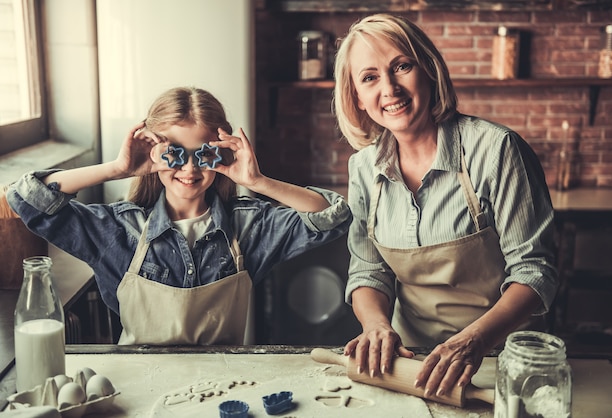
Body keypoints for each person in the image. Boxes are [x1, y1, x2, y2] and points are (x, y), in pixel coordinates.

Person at [7, 86, 352, 346]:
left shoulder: (248, 227)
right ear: (152, 153)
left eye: (202, 155)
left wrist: (258, 181)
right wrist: (117, 168)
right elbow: (26, 197)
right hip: (141, 392)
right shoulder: (120, 229)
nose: (189, 168)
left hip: (223, 389)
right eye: (174, 154)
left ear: (221, 155)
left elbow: (333, 216)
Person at [333, 14, 558, 399]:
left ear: (429, 70)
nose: (389, 88)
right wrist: (376, 327)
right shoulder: (363, 167)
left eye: (401, 66)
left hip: (499, 357)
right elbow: (369, 270)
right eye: (369, 77)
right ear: (356, 96)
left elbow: (535, 272)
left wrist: (474, 341)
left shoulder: (497, 150)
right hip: (411, 364)